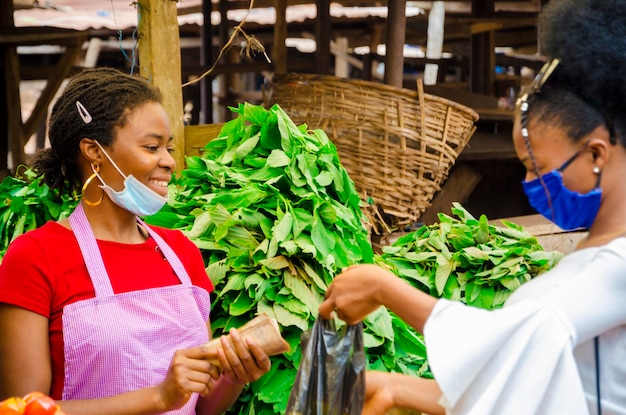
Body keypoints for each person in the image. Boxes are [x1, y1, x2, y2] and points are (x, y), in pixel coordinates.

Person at [319, 0, 626, 414]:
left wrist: (385, 288)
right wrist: (396, 388)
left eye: (538, 168)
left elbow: (532, 336)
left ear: (595, 154)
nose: (530, 184)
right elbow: (534, 385)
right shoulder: (590, 257)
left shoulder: (619, 262)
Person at [0, 67, 271, 414]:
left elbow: (200, 407)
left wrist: (234, 375)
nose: (170, 162)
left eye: (168, 148)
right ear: (94, 151)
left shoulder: (181, 252)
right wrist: (159, 397)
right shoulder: (36, 256)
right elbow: (23, 410)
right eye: (152, 147)